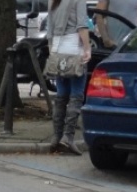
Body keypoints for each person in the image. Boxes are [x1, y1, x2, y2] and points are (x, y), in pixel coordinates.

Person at [45, 0, 92, 155]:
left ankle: (56, 136)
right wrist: (87, 48)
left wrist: (52, 52)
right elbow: (82, 27)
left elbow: (49, 30)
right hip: (74, 50)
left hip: (58, 51)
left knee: (61, 94)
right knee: (76, 94)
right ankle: (68, 137)